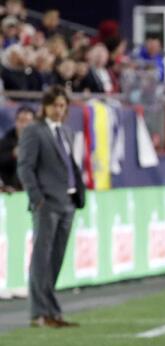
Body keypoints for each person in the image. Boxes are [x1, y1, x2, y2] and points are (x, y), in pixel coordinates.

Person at [17, 85, 86, 328]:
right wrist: (36, 198)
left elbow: (70, 164)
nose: (58, 110)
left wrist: (78, 192)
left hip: (67, 202)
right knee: (41, 259)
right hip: (46, 203)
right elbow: (25, 166)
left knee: (55, 259)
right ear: (45, 106)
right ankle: (39, 313)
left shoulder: (66, 131)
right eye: (55, 105)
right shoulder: (34, 131)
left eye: (62, 106)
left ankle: (51, 310)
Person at [0, 106, 35, 191]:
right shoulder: (5, 142)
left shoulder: (41, 142)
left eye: (28, 122)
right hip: (11, 192)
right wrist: (12, 154)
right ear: (16, 122)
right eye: (21, 121)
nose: (24, 125)